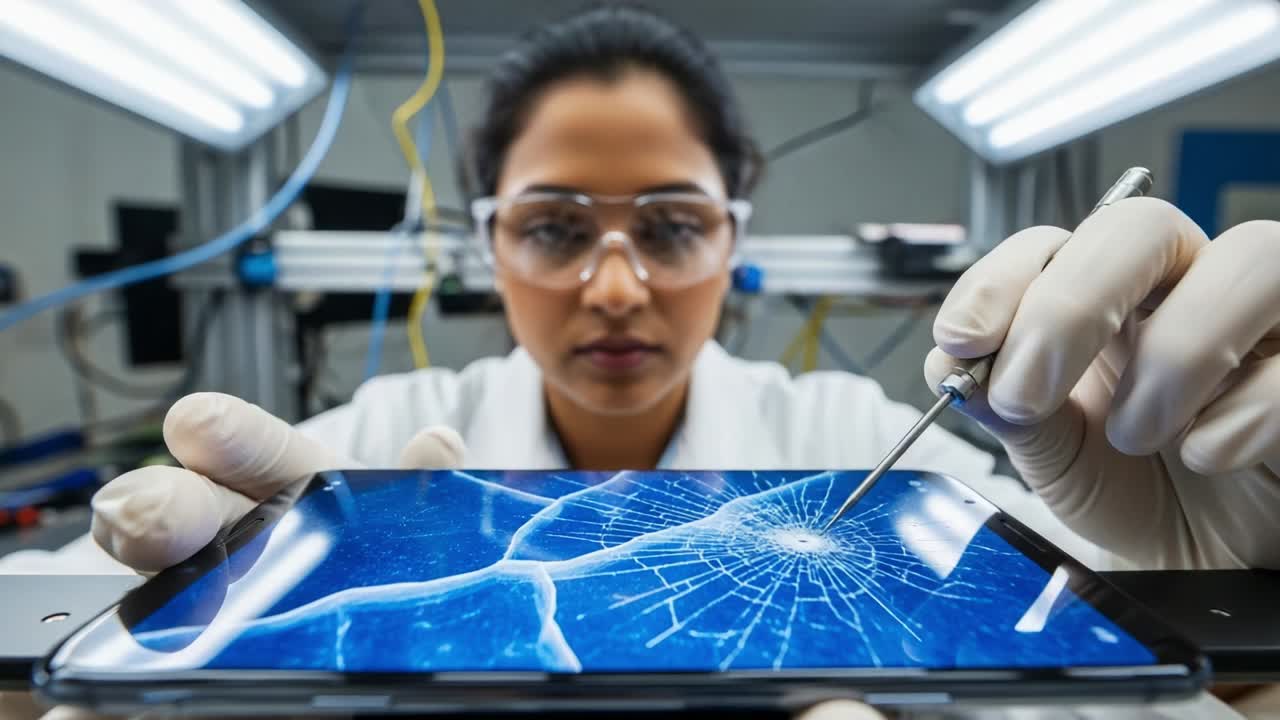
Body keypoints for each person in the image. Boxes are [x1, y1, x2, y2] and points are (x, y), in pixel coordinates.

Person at [3, 4, 1277, 719]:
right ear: (489, 247)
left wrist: (1239, 591)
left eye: (669, 228)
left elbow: (1132, 669)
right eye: (555, 228)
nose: (614, 287)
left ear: (732, 243)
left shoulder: (850, 439)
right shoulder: (382, 440)